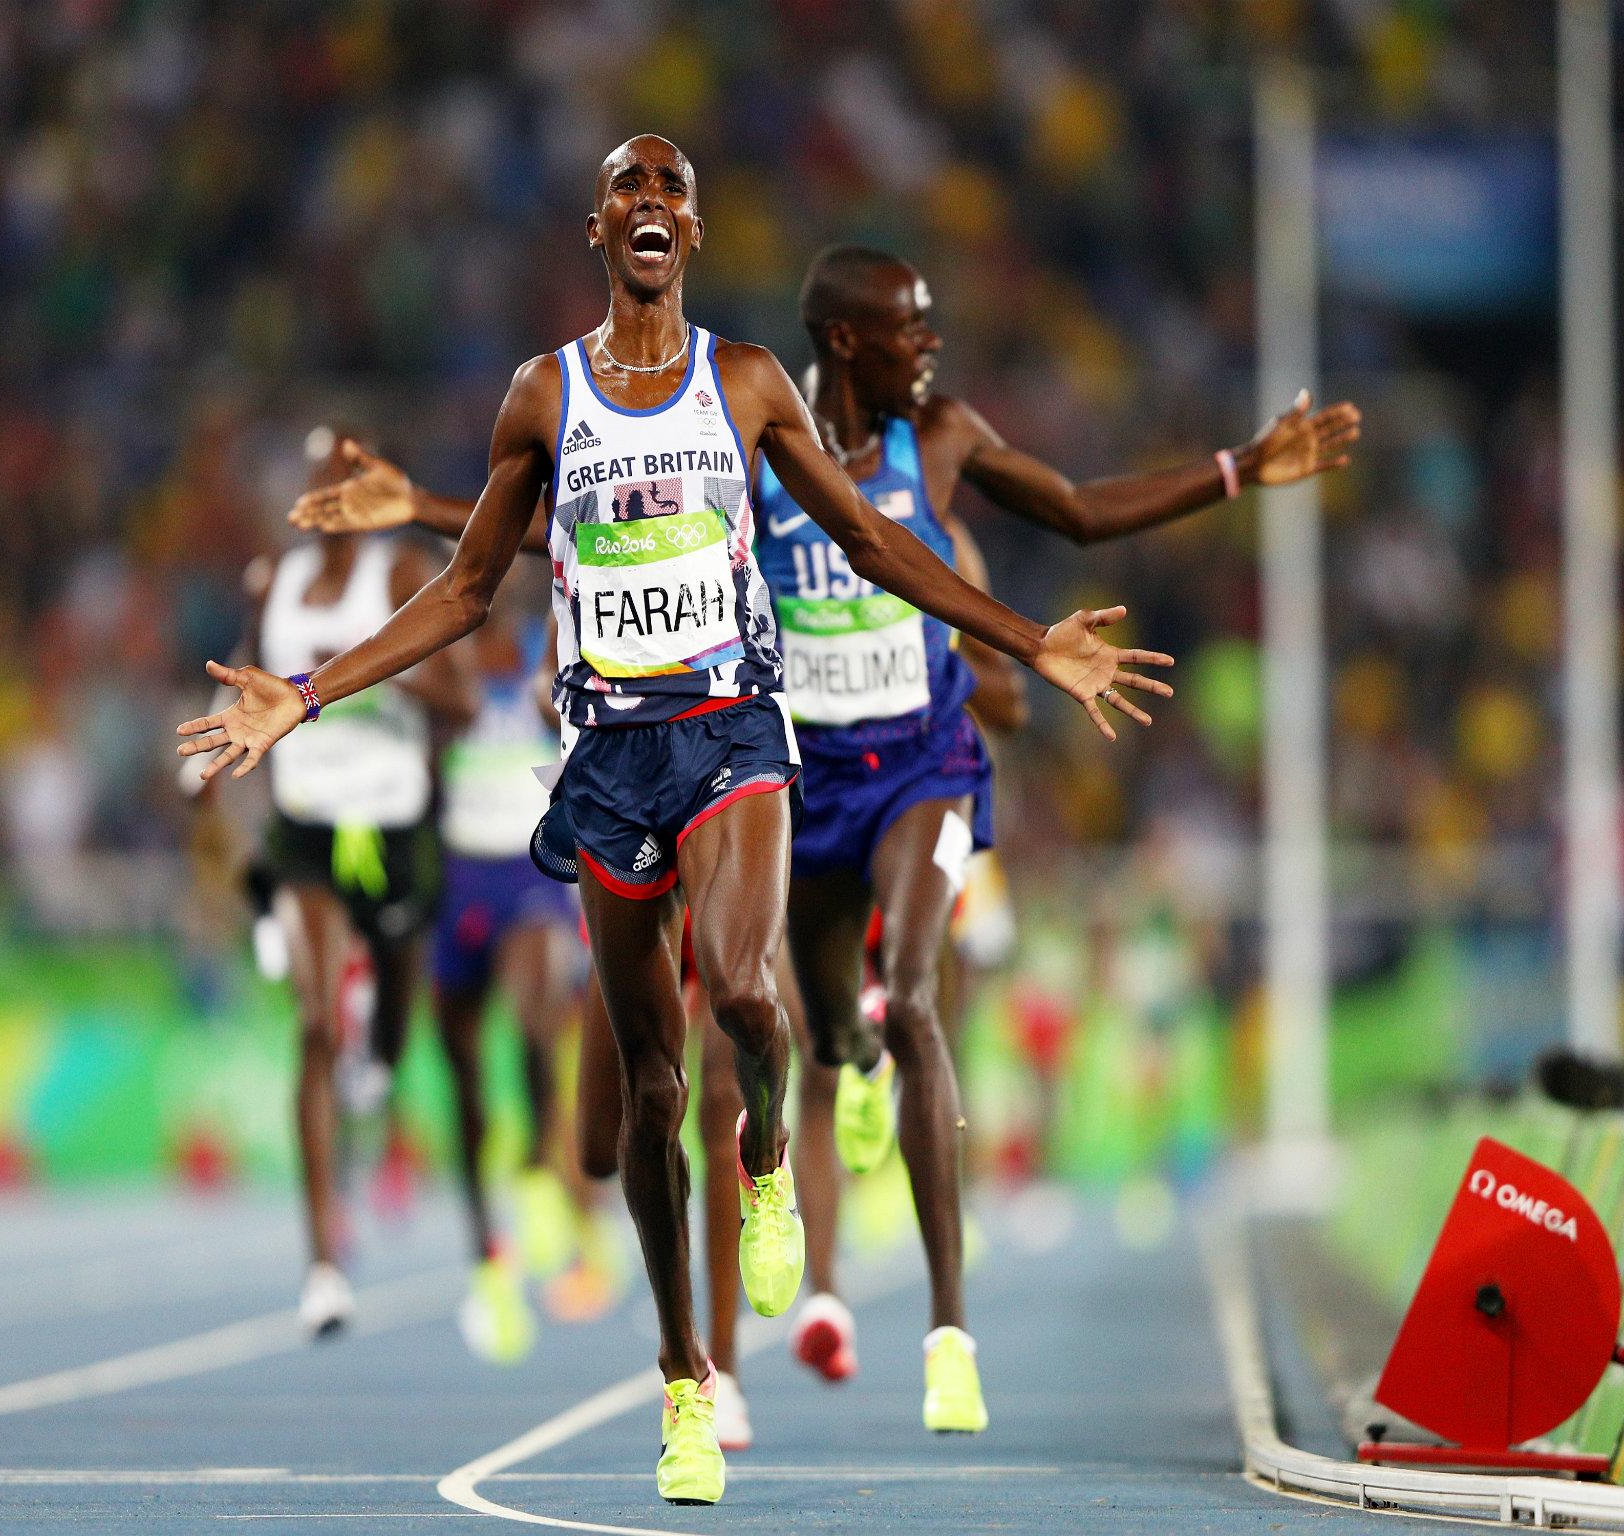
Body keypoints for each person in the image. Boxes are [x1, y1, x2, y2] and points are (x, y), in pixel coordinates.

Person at [175, 135, 1172, 1507]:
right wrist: (303, 694)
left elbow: (879, 544)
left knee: (750, 992)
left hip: (734, 733)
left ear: (693, 231)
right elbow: (468, 589)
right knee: (647, 1092)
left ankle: (767, 1154)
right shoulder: (544, 397)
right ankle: (684, 1388)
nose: (651, 205)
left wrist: (1028, 641)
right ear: (599, 228)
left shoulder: (748, 382)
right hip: (609, 755)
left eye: (673, 191)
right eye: (628, 190)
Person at [295, 242, 1359, 1438]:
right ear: (849, 338)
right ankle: (825, 1078)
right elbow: (590, 523)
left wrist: (1227, 476)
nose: (931, 346)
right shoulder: (736, 445)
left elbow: (1053, 514)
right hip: (697, 774)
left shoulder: (922, 433)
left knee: (870, 1002)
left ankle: (867, 1331)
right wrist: (428, 512)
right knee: (622, 1128)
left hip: (841, 769)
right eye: (910, 327)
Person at [246, 437, 475, 1340]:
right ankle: (323, 1264)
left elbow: (460, 702)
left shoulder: (402, 571)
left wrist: (369, 674)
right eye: (313, 484)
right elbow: (248, 690)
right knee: (312, 1024)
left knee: (389, 1031)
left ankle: (377, 1062)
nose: (326, 499)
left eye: (341, 481)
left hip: (395, 822)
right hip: (306, 829)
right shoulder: (271, 586)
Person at [431, 581, 608, 1363]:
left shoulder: (553, 643)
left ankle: (547, 1180)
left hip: (537, 873)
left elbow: (580, 721)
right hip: (458, 876)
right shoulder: (442, 659)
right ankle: (487, 1256)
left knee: (540, 1025)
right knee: (463, 1075)